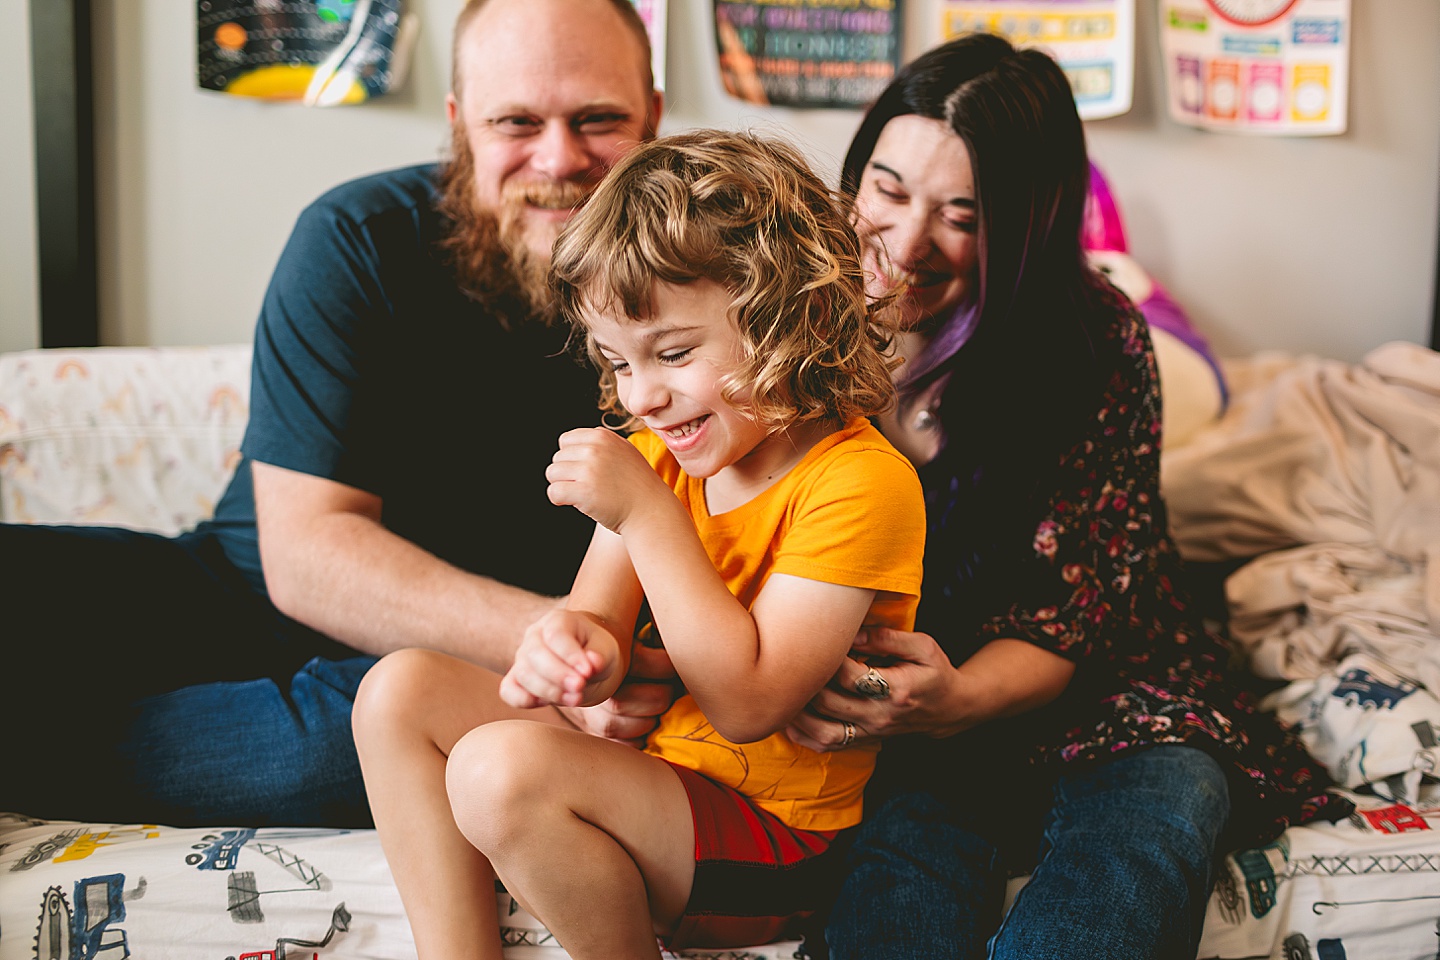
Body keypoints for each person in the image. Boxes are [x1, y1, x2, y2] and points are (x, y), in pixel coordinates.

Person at [2, 0, 672, 827]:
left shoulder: (707, 292)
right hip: (241, 602)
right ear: (462, 125)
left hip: (454, 680)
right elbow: (307, 556)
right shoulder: (359, 238)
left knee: (375, 726)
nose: (560, 157)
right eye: (516, 122)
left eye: (599, 120)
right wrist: (569, 648)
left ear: (654, 118)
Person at [776, 34, 1350, 959]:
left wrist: (956, 698)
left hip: (1113, 690)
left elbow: (1077, 616)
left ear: (1031, 223)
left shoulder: (1095, 346)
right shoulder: (794, 327)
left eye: (963, 215)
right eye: (885, 189)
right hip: (914, 721)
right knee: (901, 870)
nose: (906, 242)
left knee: (1152, 831)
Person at [350, 130, 925, 959]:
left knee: (497, 770)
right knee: (397, 689)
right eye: (618, 363)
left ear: (793, 317)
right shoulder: (668, 454)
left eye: (675, 354)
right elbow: (599, 625)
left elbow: (750, 704)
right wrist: (571, 650)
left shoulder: (861, 483)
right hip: (653, 780)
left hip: (772, 841)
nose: (642, 397)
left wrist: (650, 516)